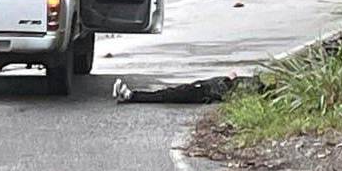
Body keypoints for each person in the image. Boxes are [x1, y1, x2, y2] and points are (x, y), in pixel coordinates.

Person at [112, 71, 263, 104]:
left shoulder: (251, 90)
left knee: (167, 95)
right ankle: (131, 95)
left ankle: (131, 96)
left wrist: (229, 79)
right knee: (167, 94)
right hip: (202, 87)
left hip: (202, 91)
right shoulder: (252, 85)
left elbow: (225, 92)